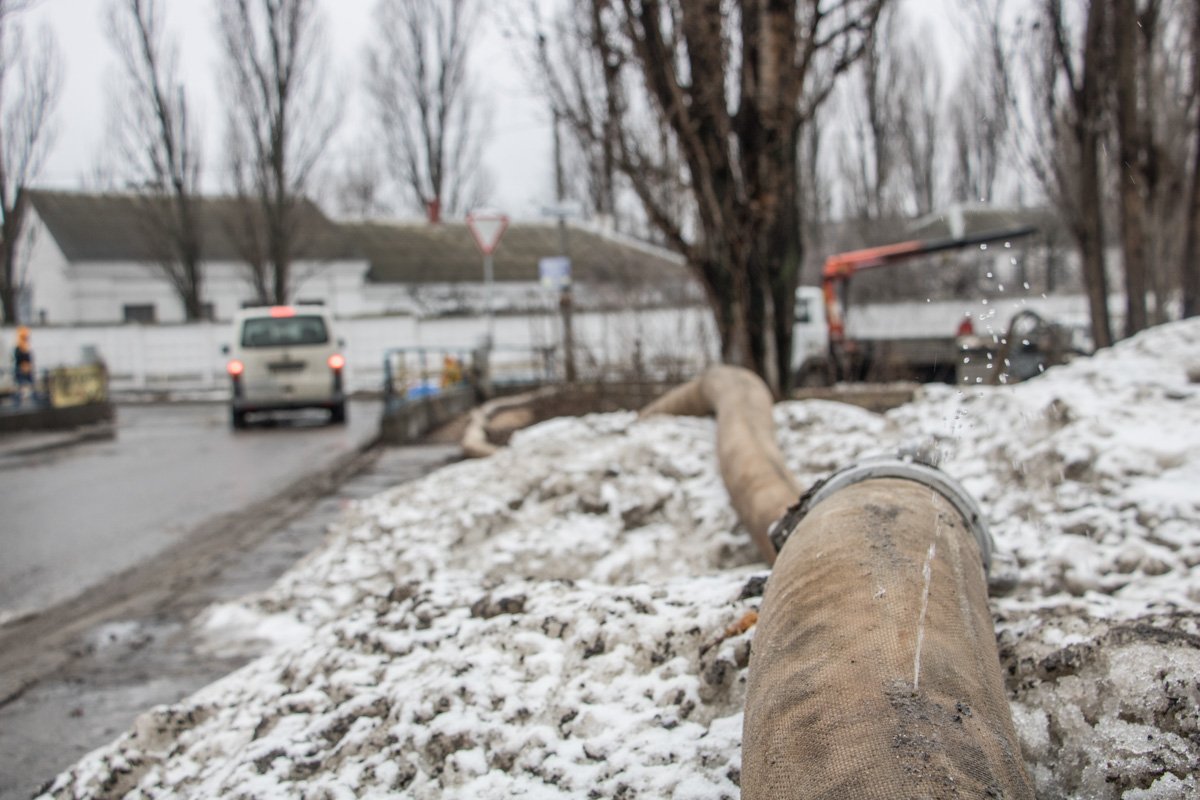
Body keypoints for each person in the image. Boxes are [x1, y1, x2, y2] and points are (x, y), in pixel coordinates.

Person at [12, 326, 34, 406]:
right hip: (21, 372)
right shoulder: (18, 348)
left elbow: (29, 360)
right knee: (20, 388)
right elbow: (18, 360)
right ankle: (19, 403)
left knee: (30, 387)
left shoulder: (27, 347)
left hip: (27, 372)